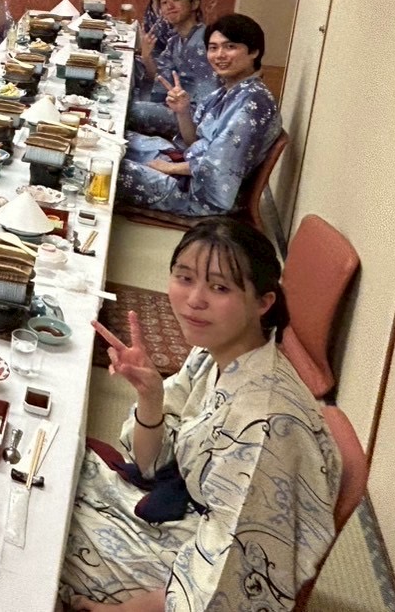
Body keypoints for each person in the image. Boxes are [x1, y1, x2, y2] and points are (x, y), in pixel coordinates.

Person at [62, 219, 339, 612]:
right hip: (179, 513)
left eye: (220, 287)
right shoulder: (215, 353)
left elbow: (232, 581)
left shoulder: (265, 427)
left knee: (41, 540)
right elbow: (152, 463)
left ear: (263, 302)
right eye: (185, 277)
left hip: (193, 570)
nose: (194, 299)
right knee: (52, 471)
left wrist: (120, 611)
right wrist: (151, 396)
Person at [119, 14, 279, 217]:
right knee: (113, 140)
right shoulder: (228, 91)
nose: (219, 55)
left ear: (254, 51)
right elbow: (193, 141)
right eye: (213, 48)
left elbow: (219, 167)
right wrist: (183, 111)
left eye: (230, 47)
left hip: (199, 193)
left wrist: (169, 168)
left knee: (105, 167)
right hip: (187, 164)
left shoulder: (253, 103)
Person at [128, 0, 218, 138]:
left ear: (194, 4)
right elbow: (160, 77)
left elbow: (209, 95)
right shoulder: (175, 41)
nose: (169, 6)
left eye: (176, 0)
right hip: (173, 102)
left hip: (190, 116)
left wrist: (186, 114)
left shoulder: (203, 41)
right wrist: (146, 56)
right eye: (164, 2)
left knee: (128, 110)